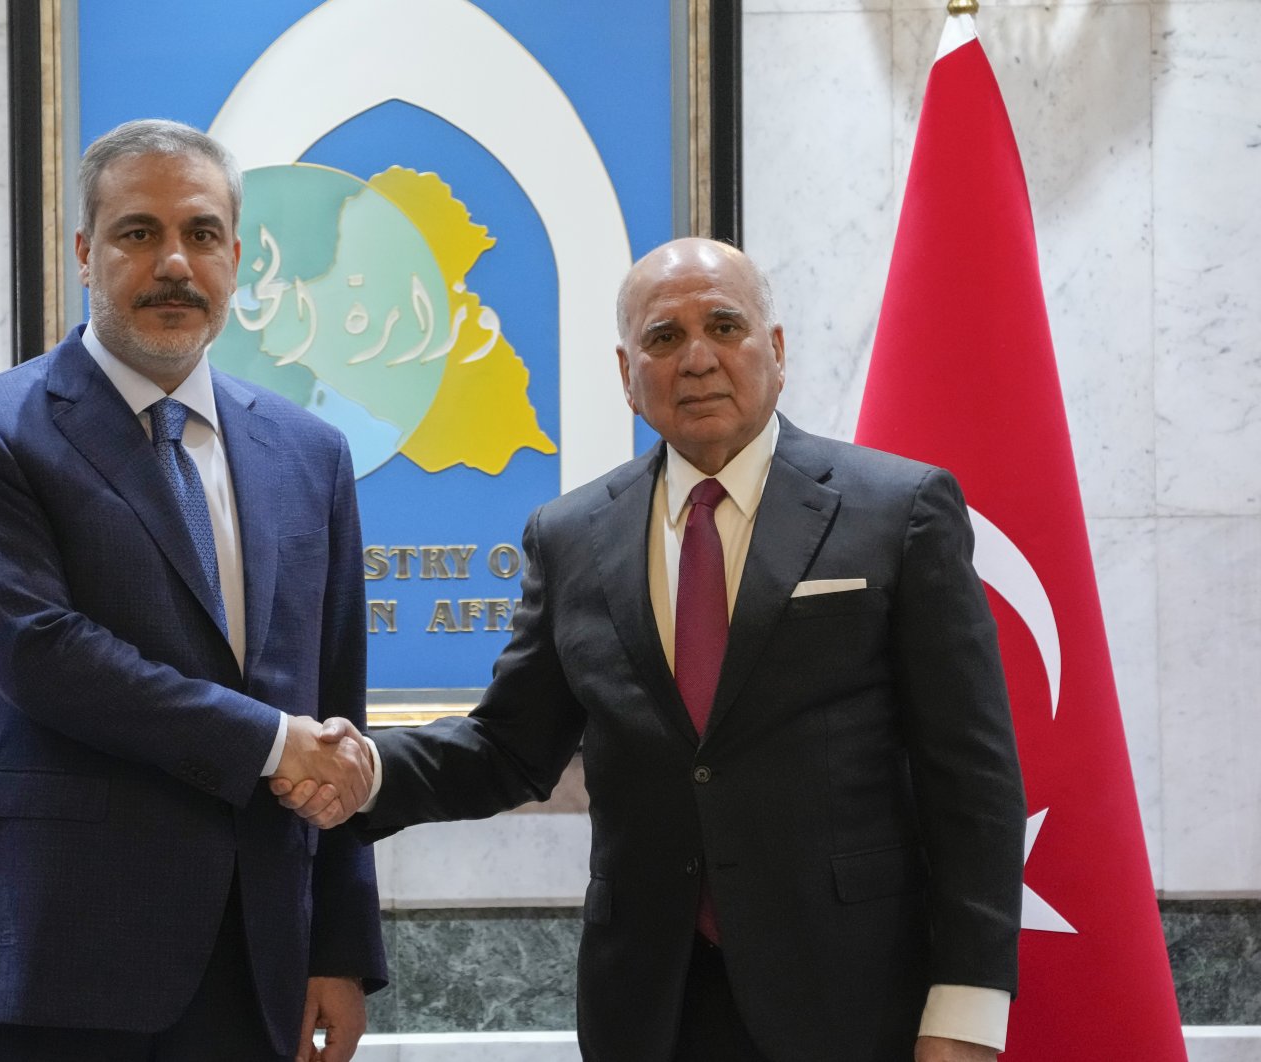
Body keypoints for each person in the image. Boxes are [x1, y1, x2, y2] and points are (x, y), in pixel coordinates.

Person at [278, 238, 1026, 1061]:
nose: (698, 359)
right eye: (664, 339)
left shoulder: (898, 510)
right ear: (628, 373)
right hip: (649, 1008)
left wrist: (966, 1009)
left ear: (775, 351)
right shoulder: (569, 537)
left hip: (854, 1000)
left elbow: (973, 779)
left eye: (725, 327)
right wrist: (364, 771)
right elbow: (509, 749)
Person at [0, 118, 383, 1062]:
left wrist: (338, 946)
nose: (174, 261)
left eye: (202, 234)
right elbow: (44, 656)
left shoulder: (312, 455)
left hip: (260, 963)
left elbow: (336, 699)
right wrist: (270, 741)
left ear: (238, 258)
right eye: (138, 233)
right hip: (58, 957)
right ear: (86, 253)